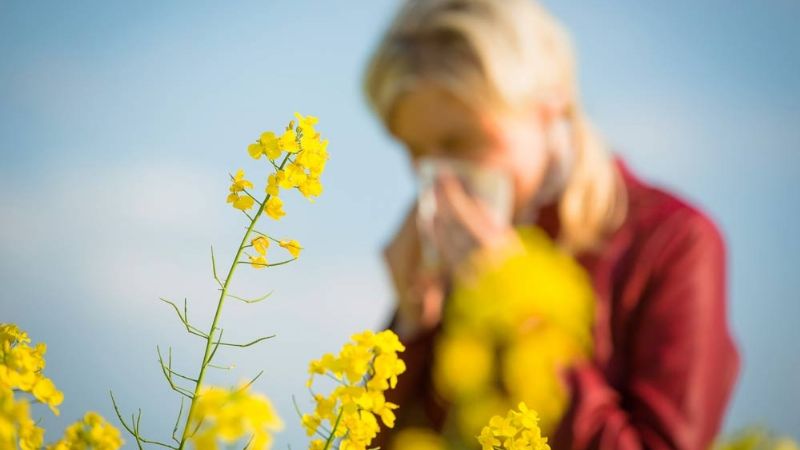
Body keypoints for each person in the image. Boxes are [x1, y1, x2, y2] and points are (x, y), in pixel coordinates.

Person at [362, 1, 740, 449]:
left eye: (460, 140)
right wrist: (410, 326)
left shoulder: (673, 241)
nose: (440, 177)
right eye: (414, 150)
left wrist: (516, 307)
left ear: (549, 104)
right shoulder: (451, 253)